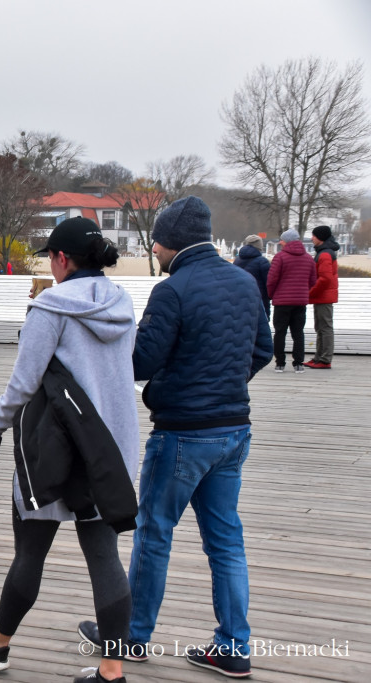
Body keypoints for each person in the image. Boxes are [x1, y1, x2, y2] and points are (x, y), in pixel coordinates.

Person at [77, 196, 273, 679]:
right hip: (234, 430)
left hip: (183, 433)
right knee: (226, 541)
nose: (156, 251)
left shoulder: (173, 290)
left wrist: (169, 387)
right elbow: (264, 350)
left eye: (158, 242)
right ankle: (233, 646)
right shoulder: (245, 283)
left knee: (154, 534)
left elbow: (140, 363)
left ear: (171, 243)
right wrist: (223, 385)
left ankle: (132, 639)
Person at [0, 217, 138, 683]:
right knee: (105, 558)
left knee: (30, 551)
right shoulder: (123, 302)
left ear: (61, 259)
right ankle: (111, 671)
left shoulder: (50, 307)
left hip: (55, 449)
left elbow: (23, 384)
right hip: (109, 451)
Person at [266, 228, 316, 373]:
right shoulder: (308, 258)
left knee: (280, 332)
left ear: (287, 241)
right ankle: (298, 363)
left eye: (282, 240)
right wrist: (303, 292)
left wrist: (271, 295)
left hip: (282, 302)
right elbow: (313, 281)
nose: (280, 242)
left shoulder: (280, 257)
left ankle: (280, 363)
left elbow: (272, 280)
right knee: (298, 332)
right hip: (300, 301)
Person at [305, 225, 339, 369]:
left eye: (314, 235)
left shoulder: (324, 254)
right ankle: (319, 357)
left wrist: (311, 292)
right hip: (322, 296)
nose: (312, 238)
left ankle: (325, 359)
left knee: (324, 328)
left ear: (320, 237)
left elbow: (325, 279)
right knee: (320, 327)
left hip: (323, 297)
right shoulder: (324, 252)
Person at [233, 234, 270, 318]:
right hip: (259, 297)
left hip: (240, 296)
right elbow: (268, 282)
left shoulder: (237, 260)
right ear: (259, 247)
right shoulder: (262, 261)